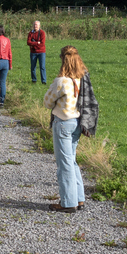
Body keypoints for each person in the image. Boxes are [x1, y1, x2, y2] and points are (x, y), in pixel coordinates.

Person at [43, 46, 86, 212]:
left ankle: (68, 202)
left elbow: (47, 102)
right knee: (72, 161)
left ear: (63, 60)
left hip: (63, 122)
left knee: (64, 165)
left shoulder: (62, 82)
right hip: (76, 122)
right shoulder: (81, 80)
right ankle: (79, 198)